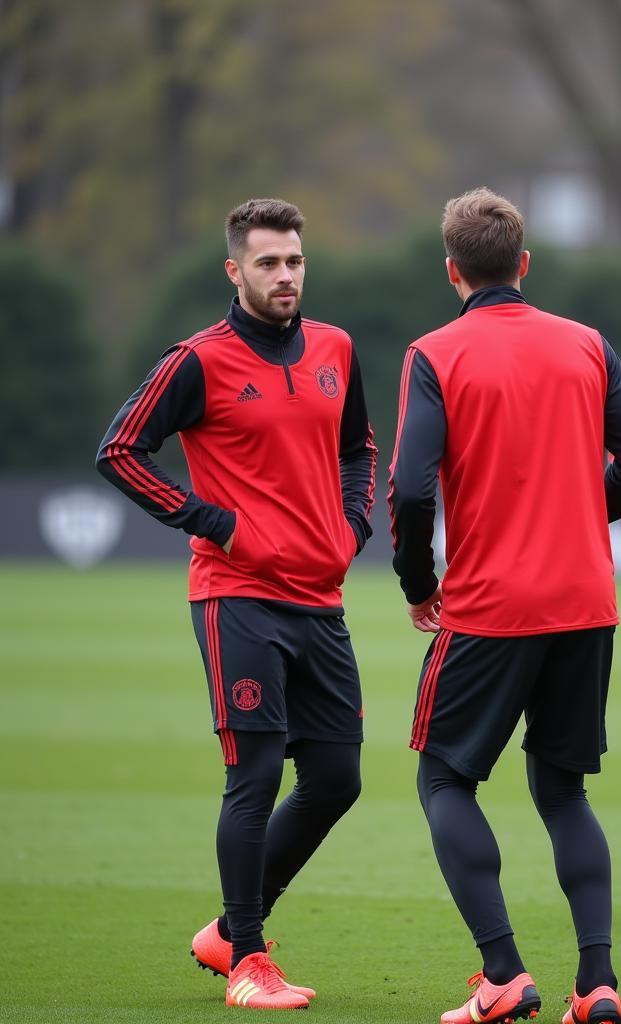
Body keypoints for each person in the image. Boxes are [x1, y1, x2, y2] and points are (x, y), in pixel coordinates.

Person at [388, 187, 621, 1024]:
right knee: (564, 791)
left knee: (443, 775)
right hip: (586, 603)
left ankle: (504, 974)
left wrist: (415, 583)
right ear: (525, 263)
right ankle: (598, 985)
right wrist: (589, 512)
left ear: (451, 271)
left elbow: (407, 488)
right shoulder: (586, 344)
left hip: (489, 607)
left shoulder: (434, 353)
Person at [96, 198, 376, 1011]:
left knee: (337, 777)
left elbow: (358, 446)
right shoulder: (197, 360)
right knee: (252, 778)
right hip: (236, 596)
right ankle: (248, 962)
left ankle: (226, 929)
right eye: (267, 263)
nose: (284, 275)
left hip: (319, 599)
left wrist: (354, 524)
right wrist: (213, 522)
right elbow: (120, 450)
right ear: (236, 270)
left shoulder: (336, 347)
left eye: (293, 261)